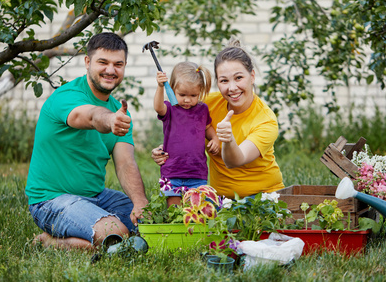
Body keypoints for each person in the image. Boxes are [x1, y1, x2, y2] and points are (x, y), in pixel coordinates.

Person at [25, 32, 148, 250]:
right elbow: (90, 115)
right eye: (103, 62)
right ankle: (49, 242)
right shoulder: (68, 96)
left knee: (149, 223)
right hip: (51, 200)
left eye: (118, 64)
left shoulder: (120, 113)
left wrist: (140, 204)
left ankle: (92, 237)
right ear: (87, 62)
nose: (111, 70)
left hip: (97, 197)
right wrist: (110, 120)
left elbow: (126, 163)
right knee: (116, 234)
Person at [152, 39, 285, 198]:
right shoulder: (205, 105)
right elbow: (181, 127)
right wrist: (167, 148)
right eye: (224, 80)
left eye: (238, 78)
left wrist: (228, 139)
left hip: (261, 197)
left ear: (252, 76)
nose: (232, 87)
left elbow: (235, 160)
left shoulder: (265, 120)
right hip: (219, 200)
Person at [154, 62, 220, 206]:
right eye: (182, 94)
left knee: (195, 208)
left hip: (197, 171)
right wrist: (160, 86)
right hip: (172, 171)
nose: (187, 100)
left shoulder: (202, 109)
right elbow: (158, 108)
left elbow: (208, 128)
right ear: (172, 89)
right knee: (175, 210)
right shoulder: (170, 108)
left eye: (193, 95)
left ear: (200, 92)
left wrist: (214, 138)